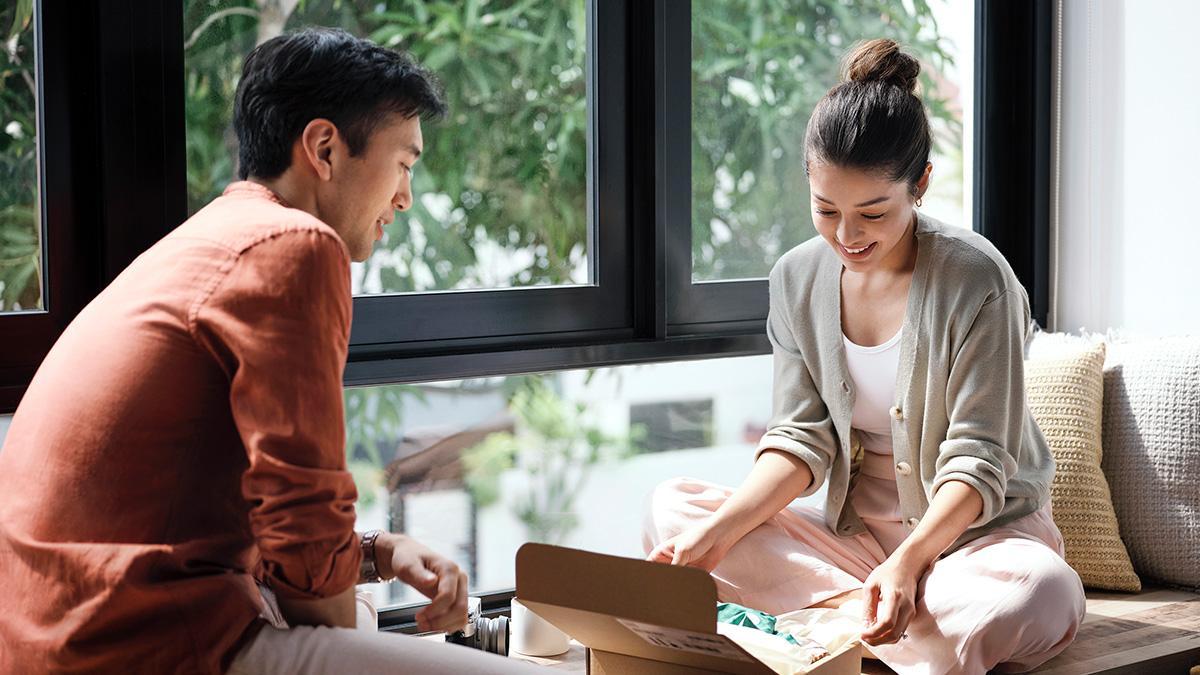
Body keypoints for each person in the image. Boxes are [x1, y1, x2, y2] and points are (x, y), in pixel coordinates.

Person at [0, 28, 541, 674]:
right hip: (138, 641)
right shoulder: (295, 245)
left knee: (363, 608)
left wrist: (378, 552)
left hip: (56, 633)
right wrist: (350, 607)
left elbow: (272, 521)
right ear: (324, 148)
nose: (406, 197)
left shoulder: (213, 235)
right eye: (404, 165)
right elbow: (305, 531)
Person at [644, 39, 1086, 675]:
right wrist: (717, 535)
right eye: (826, 210)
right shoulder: (795, 278)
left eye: (873, 213)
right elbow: (800, 440)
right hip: (851, 543)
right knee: (674, 510)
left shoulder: (976, 279)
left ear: (921, 184)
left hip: (973, 545)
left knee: (1037, 592)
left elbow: (981, 460)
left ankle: (819, 631)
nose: (847, 237)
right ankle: (877, 631)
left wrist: (910, 562)